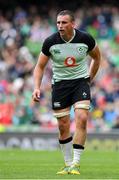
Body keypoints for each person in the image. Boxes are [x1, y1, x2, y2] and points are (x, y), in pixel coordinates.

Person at [32, 10, 101, 175]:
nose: (60, 26)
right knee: (63, 126)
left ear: (73, 24)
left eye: (64, 22)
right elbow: (40, 66)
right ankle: (68, 164)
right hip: (60, 86)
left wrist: (89, 78)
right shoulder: (50, 42)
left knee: (82, 118)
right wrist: (36, 87)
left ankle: (76, 164)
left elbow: (97, 58)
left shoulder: (85, 39)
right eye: (58, 23)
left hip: (80, 83)